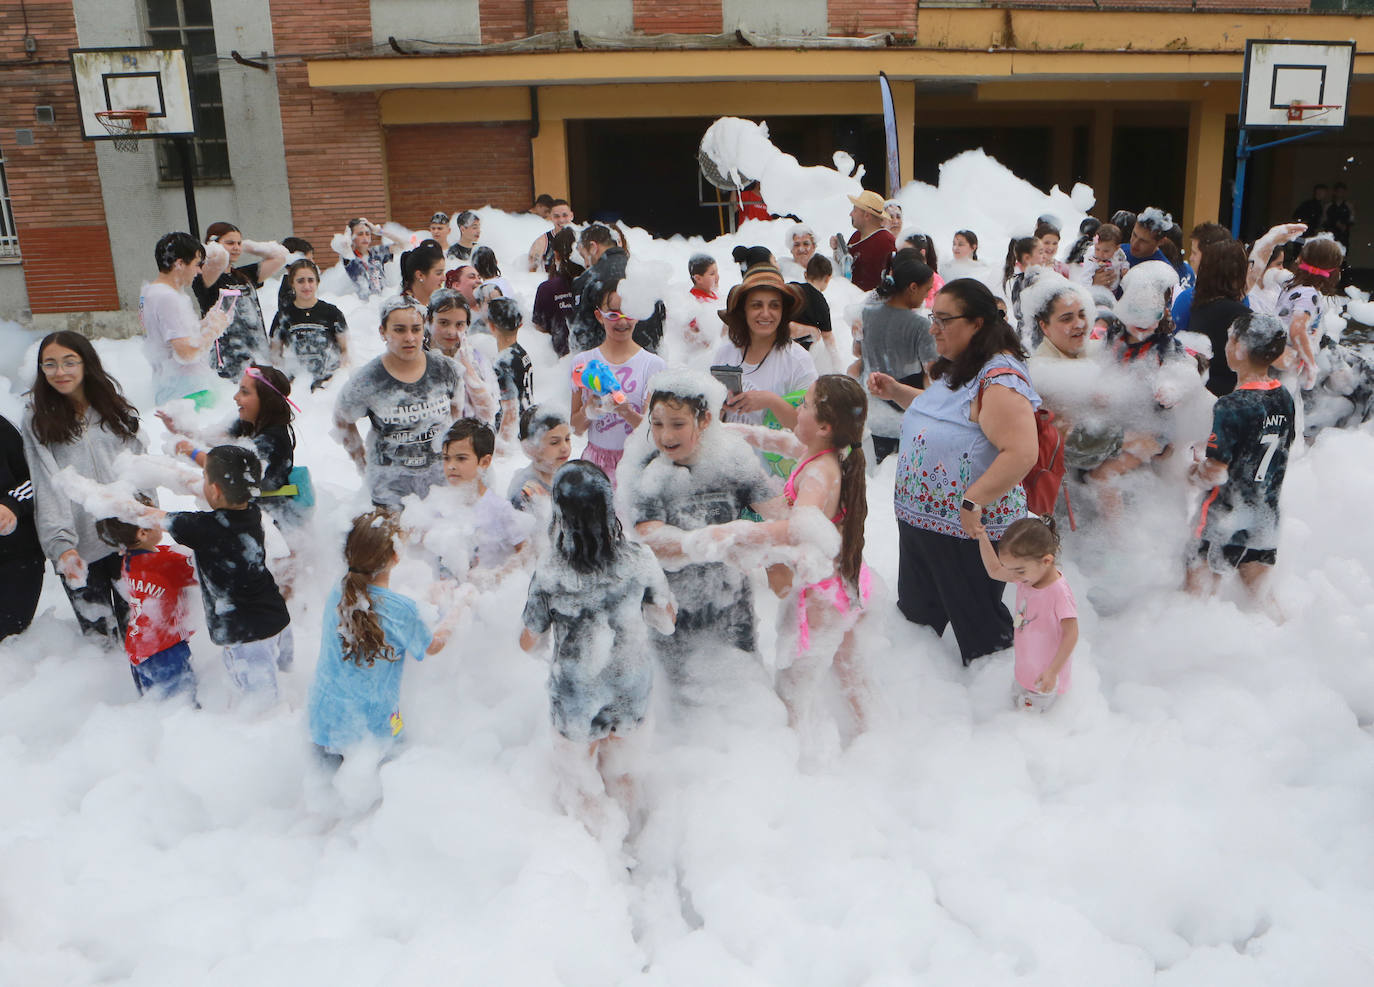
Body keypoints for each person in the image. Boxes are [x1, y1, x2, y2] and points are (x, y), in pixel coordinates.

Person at [868, 279, 1041, 665]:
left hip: (967, 532)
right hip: (925, 527)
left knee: (981, 633)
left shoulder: (999, 380)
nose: (933, 328)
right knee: (918, 621)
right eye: (934, 317)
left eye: (944, 320)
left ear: (977, 323)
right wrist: (898, 392)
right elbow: (947, 416)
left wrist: (972, 499)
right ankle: (933, 700)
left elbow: (1022, 452)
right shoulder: (960, 367)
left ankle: (1002, 711)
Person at [703, 375, 875, 731]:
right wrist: (722, 431)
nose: (797, 408)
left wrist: (736, 534)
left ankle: (801, 755)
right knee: (850, 676)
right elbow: (773, 439)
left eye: (806, 405)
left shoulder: (818, 473)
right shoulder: (826, 453)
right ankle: (868, 735)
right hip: (845, 580)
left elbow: (799, 527)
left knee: (794, 686)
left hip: (821, 598)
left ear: (825, 426)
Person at [520, 460, 675, 834]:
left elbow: (528, 642)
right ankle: (633, 841)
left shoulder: (551, 571)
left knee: (580, 784)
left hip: (576, 696)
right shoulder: (639, 560)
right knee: (624, 775)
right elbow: (667, 622)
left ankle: (599, 853)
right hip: (630, 687)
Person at [627, 370, 775, 691]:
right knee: (683, 707)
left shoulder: (731, 463)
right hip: (674, 615)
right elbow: (650, 537)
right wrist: (710, 540)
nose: (666, 435)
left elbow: (778, 512)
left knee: (744, 697)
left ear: (704, 420)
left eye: (678, 424)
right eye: (657, 423)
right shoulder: (647, 473)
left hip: (732, 608)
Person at [110, 446, 293, 702]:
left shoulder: (205, 529)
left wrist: (111, 502)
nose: (200, 482)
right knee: (285, 676)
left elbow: (155, 517)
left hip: (246, 634)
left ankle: (269, 731)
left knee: (261, 700)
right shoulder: (251, 512)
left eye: (205, 478)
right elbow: (231, 472)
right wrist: (193, 452)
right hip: (275, 615)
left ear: (215, 490)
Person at [23, 332, 146, 644]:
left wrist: (146, 522)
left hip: (126, 537)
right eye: (49, 364)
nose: (59, 372)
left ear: (86, 363)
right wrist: (61, 545)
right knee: (100, 641)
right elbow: (46, 483)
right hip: (79, 548)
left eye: (68, 362)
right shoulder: (38, 419)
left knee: (141, 631)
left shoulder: (114, 408)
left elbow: (139, 468)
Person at [308, 510, 452, 761]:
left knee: (328, 792)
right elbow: (433, 645)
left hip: (324, 723)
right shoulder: (402, 610)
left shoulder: (340, 589)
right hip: (374, 731)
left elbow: (382, 609)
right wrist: (456, 611)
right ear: (396, 557)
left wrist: (424, 603)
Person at [1185, 313, 1294, 605]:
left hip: (1223, 516)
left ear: (1240, 349)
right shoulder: (1284, 397)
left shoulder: (1231, 405)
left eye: (1230, 339)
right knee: (1262, 602)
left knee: (1195, 598)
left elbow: (1216, 471)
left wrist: (1191, 473)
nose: (1226, 345)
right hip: (1265, 516)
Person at [334, 297, 466, 507]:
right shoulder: (368, 380)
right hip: (391, 485)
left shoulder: (445, 369)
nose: (410, 338)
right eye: (399, 330)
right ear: (383, 332)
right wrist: (362, 461)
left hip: (438, 481)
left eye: (416, 329)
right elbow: (341, 419)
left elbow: (457, 416)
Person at [161, 364, 301, 531]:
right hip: (248, 509)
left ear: (266, 400)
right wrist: (179, 429)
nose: (236, 397)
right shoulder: (247, 422)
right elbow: (210, 439)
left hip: (271, 520)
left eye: (245, 392)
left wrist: (192, 452)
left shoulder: (273, 439)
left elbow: (233, 471)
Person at [975, 517, 1078, 713]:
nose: (1014, 576)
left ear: (1046, 560)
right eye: (1011, 570)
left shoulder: (1058, 592)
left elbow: (1071, 634)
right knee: (1016, 709)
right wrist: (982, 537)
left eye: (1019, 571)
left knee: (1030, 721)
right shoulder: (1028, 577)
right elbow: (995, 570)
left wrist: (1052, 672)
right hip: (1026, 666)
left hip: (1045, 679)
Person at [93, 511, 198, 701]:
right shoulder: (166, 564)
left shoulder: (129, 560)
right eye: (154, 519)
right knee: (181, 709)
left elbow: (161, 556)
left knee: (154, 706)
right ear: (142, 533)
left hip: (139, 647)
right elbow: (203, 569)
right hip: (166, 650)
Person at [570, 281, 666, 485]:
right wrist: (589, 411)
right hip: (595, 464)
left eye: (628, 314)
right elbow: (575, 429)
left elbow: (653, 433)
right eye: (613, 314)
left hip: (635, 464)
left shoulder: (654, 365)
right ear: (599, 316)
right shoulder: (582, 363)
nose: (621, 322)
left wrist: (626, 412)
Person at [421, 419, 533, 587]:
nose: (451, 466)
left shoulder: (498, 509)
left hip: (485, 596)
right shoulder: (439, 504)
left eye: (461, 458)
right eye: (446, 458)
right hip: (448, 594)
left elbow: (526, 551)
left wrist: (497, 575)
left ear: (484, 462)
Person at [714, 264, 818, 430]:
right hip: (729, 453)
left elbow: (811, 428)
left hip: (778, 455)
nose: (765, 313)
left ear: (783, 312)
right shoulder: (725, 353)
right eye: (756, 305)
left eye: (774, 306)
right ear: (744, 310)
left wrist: (771, 401)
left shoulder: (798, 361)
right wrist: (718, 407)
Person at [860, 249, 937, 463]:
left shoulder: (867, 314)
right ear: (913, 288)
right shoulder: (920, 325)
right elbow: (935, 373)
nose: (927, 297)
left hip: (873, 408)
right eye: (927, 290)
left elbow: (858, 353)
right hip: (907, 411)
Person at [193, 221, 288, 382]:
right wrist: (212, 249)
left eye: (239, 243)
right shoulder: (206, 277)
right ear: (213, 245)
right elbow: (216, 261)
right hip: (227, 359)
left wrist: (248, 246)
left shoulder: (244, 275)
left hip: (257, 355)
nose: (236, 247)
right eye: (230, 243)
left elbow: (280, 257)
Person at [140, 231, 227, 408]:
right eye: (196, 264)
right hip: (190, 393)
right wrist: (213, 331)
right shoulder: (167, 298)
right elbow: (185, 353)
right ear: (179, 264)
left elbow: (168, 338)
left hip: (171, 388)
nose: (199, 270)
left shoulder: (150, 293)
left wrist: (205, 323)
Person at [1276, 234, 1346, 389]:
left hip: (1280, 356)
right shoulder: (1309, 295)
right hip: (1287, 366)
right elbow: (1296, 330)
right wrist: (1311, 365)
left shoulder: (1293, 284)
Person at [269, 257, 349, 391]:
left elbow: (345, 352)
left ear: (317, 282)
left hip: (328, 385)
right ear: (292, 283)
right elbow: (275, 355)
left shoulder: (332, 312)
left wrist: (338, 381)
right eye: (300, 281)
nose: (306, 286)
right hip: (298, 386)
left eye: (310, 280)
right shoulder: (283, 315)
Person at [0, 414, 44, 642]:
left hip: (17, 555)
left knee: (9, 633)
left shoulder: (3, 430)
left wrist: (12, 504)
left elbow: (38, 480)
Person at [1187, 239, 1250, 396]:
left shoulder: (1197, 306)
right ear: (1237, 272)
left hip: (1198, 395)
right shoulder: (1240, 314)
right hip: (1229, 399)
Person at [508, 406, 573, 514]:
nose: (565, 448)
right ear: (531, 448)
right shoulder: (525, 492)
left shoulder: (566, 475)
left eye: (567, 439)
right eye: (554, 442)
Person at [1171, 222, 1232, 332]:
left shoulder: (1189, 299)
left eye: (1194, 253)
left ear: (1209, 258)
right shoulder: (1240, 297)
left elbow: (1171, 342)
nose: (1191, 258)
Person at [490, 297, 533, 442]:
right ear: (520, 324)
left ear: (491, 326)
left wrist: (502, 445)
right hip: (527, 422)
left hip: (513, 433)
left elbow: (510, 410)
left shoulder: (502, 363)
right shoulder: (522, 353)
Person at [836, 190, 897, 292]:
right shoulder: (856, 236)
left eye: (855, 210)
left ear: (867, 215)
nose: (851, 214)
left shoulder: (886, 242)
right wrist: (837, 250)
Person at [532, 227, 580, 355]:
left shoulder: (547, 289)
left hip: (560, 360)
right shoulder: (594, 284)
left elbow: (539, 329)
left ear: (556, 254)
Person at [789, 254, 837, 361]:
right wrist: (836, 362)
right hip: (800, 353)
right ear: (827, 278)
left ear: (805, 275)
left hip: (779, 343)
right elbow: (828, 337)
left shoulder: (793, 288)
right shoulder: (821, 304)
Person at [340, 217, 401, 300]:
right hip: (362, 304)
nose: (365, 237)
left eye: (367, 234)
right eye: (360, 234)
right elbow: (344, 245)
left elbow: (403, 245)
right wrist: (347, 235)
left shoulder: (377, 252)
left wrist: (379, 231)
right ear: (352, 237)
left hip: (382, 298)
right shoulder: (349, 257)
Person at [1073, 223, 1129, 294]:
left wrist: (1125, 268)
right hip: (1096, 291)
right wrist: (1088, 293)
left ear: (1116, 248)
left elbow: (1123, 260)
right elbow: (1085, 278)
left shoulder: (1119, 253)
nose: (1100, 254)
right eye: (1097, 249)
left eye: (1106, 251)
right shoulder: (1092, 258)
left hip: (1114, 290)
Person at [528, 198, 576, 272]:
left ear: (571, 216)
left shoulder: (579, 238)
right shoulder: (542, 241)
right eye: (557, 216)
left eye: (565, 215)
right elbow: (531, 272)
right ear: (551, 217)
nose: (561, 220)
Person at [399, 240, 447, 309]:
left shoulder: (439, 305)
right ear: (420, 275)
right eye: (438, 273)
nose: (444, 278)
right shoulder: (402, 310)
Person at [1326, 182, 1353, 249]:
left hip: (1343, 235)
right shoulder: (1329, 206)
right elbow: (1324, 219)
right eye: (1339, 191)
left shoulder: (1349, 206)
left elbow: (1352, 219)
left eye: (1342, 192)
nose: (1340, 194)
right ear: (1335, 192)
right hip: (1331, 234)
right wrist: (1334, 223)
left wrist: (1345, 225)